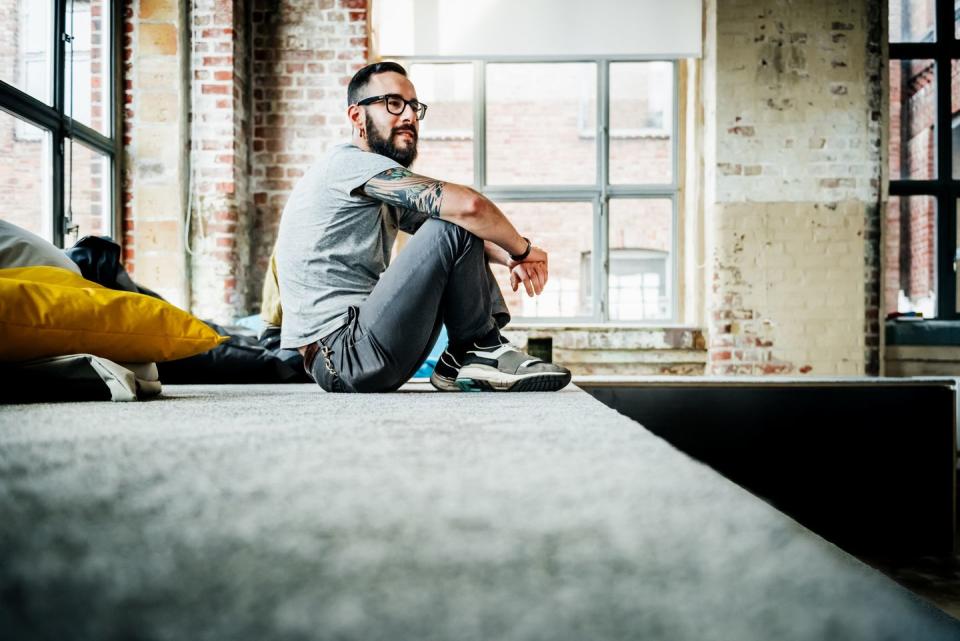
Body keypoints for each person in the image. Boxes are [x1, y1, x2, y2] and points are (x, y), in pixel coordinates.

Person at [275, 61, 571, 393]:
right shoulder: (348, 166)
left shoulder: (374, 183)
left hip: (365, 347)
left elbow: (455, 235)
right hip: (344, 354)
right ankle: (481, 349)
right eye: (393, 104)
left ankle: (467, 355)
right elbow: (470, 207)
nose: (409, 117)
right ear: (356, 117)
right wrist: (524, 249)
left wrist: (509, 259)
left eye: (414, 107)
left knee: (451, 221)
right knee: (455, 216)